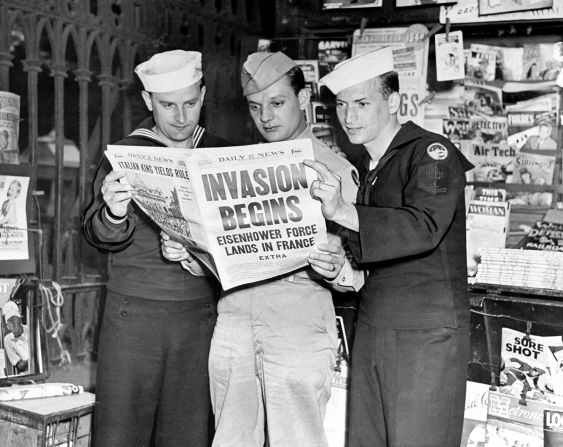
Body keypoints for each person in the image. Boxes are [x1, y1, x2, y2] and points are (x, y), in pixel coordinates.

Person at [162, 51, 363, 447]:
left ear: (303, 101)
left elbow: (358, 270)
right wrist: (188, 252)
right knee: (231, 439)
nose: (266, 116)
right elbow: (219, 256)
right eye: (255, 107)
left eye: (277, 103)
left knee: (297, 440)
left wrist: (339, 267)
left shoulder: (334, 171)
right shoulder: (234, 166)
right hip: (234, 319)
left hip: (298, 322)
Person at [304, 46, 473, 447]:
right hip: (376, 326)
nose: (349, 116)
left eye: (362, 103)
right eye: (342, 105)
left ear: (393, 101)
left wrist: (344, 211)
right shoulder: (371, 168)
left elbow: (425, 225)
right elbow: (380, 254)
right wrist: (343, 269)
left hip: (424, 336)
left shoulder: (433, 154)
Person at [83, 50, 230, 447]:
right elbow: (95, 233)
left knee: (188, 434)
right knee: (119, 434)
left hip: (199, 318)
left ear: (202, 95)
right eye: (167, 105)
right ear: (148, 101)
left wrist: (200, 255)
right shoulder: (125, 153)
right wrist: (113, 213)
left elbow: (243, 245)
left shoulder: (222, 154)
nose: (180, 118)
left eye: (189, 103)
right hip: (132, 317)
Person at [2, 300, 29, 374]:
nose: (14, 323)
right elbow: (19, 366)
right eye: (10, 321)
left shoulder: (31, 329)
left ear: (20, 320)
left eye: (15, 318)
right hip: (26, 375)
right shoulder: (8, 340)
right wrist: (32, 360)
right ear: (7, 326)